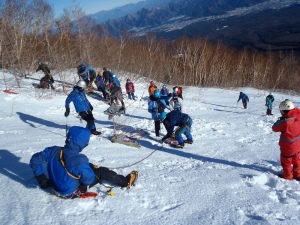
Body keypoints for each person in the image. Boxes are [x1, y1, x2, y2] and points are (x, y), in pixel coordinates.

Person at [30, 126, 138, 199]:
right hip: (69, 193)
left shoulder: (52, 150)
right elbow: (88, 179)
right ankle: (126, 182)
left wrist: (41, 178)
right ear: (82, 143)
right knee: (103, 172)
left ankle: (89, 169)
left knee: (87, 167)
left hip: (54, 188)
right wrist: (84, 186)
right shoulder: (80, 160)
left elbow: (34, 160)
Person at [272, 99, 300, 180]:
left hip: (288, 148)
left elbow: (274, 128)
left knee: (286, 163)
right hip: (297, 145)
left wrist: (281, 119)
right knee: (297, 160)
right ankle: (298, 174)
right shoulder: (298, 116)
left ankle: (288, 177)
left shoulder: (286, 121)